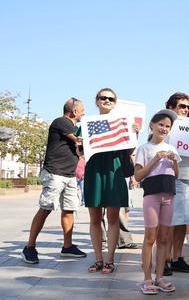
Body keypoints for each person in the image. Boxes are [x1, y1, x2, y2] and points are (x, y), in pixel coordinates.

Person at [22, 97, 87, 264]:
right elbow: (79, 139)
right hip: (55, 173)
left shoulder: (74, 127)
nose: (84, 113)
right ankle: (29, 247)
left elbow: (81, 149)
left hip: (70, 175)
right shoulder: (62, 122)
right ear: (74, 111)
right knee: (46, 208)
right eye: (82, 110)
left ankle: (67, 247)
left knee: (69, 210)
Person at [84, 88, 135, 274]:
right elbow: (80, 153)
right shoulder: (86, 123)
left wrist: (134, 134)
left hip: (115, 168)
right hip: (95, 169)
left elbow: (129, 150)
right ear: (96, 101)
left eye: (110, 98)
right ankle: (98, 259)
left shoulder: (122, 123)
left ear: (115, 102)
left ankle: (110, 260)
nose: (106, 100)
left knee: (113, 217)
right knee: (95, 218)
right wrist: (78, 145)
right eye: (103, 97)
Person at [134, 109, 180, 294]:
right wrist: (155, 159)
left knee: (164, 238)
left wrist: (175, 162)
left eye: (168, 126)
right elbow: (138, 176)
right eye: (161, 124)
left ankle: (159, 276)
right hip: (151, 195)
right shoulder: (144, 149)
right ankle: (146, 279)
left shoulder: (172, 148)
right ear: (152, 125)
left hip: (169, 195)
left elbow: (176, 174)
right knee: (150, 238)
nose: (164, 128)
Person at [165, 92, 189, 273]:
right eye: (181, 106)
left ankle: (177, 257)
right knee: (170, 222)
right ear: (171, 108)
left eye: (187, 106)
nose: (185, 109)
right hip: (172, 178)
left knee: (182, 222)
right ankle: (166, 258)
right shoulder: (166, 126)